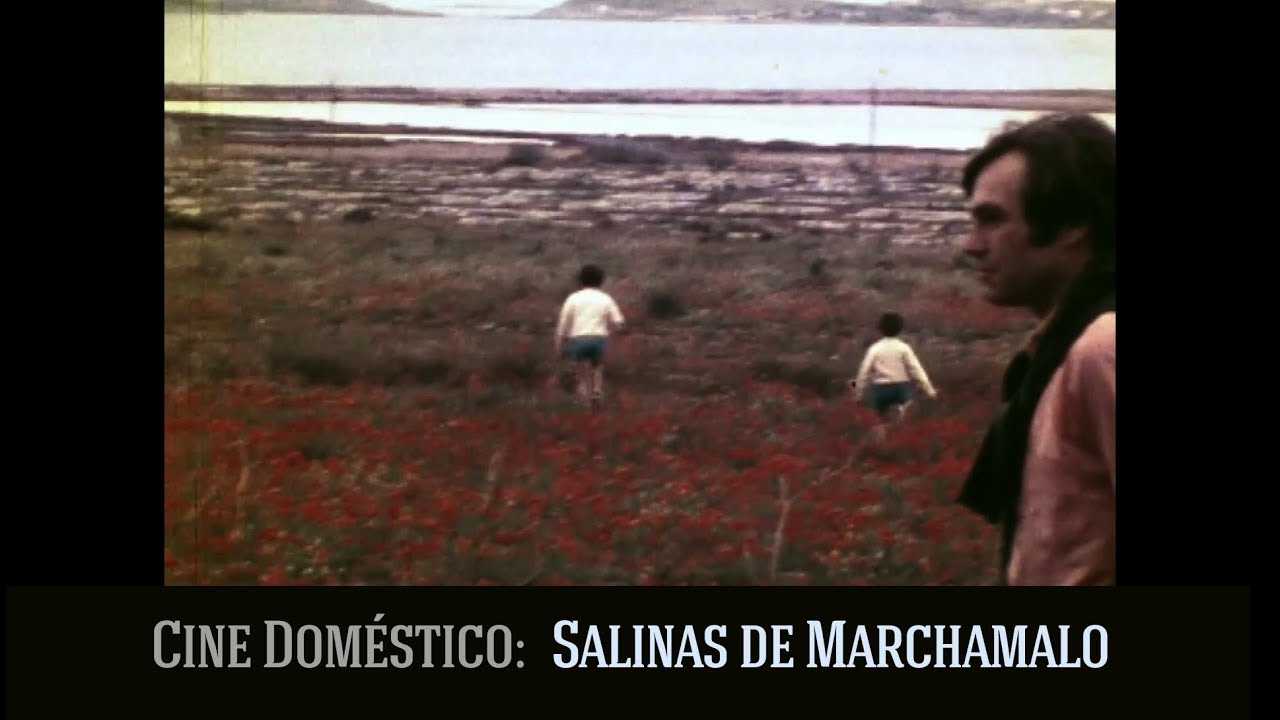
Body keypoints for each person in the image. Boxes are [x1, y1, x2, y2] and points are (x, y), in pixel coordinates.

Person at [956, 113, 1115, 586]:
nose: (971, 246)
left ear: (1071, 226)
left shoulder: (1102, 348)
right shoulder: (1061, 346)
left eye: (992, 220)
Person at [851, 312, 938, 431]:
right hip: (901, 388)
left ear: (880, 329)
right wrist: (930, 391)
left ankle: (882, 438)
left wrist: (858, 394)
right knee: (904, 421)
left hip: (880, 390)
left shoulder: (875, 348)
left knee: (880, 420)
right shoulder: (904, 348)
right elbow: (916, 370)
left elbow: (863, 373)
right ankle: (901, 433)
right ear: (900, 329)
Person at [554, 264, 625, 409]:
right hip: (599, 339)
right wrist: (612, 333)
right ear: (601, 281)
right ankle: (597, 391)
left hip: (578, 340)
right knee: (597, 367)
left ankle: (584, 399)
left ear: (580, 280)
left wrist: (559, 345)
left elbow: (563, 325)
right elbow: (619, 322)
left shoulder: (573, 298)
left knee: (580, 371)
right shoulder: (606, 298)